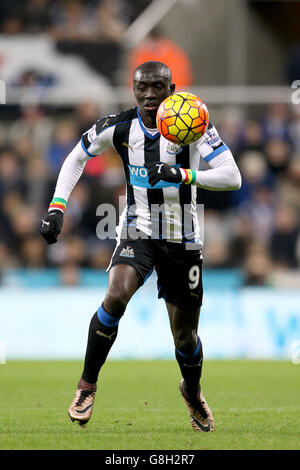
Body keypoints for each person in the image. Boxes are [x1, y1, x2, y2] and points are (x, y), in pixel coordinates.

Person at [40, 61, 242, 432]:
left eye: (158, 87)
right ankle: (87, 385)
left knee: (184, 336)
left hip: (184, 238)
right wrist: (57, 206)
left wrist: (182, 173)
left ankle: (192, 391)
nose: (150, 95)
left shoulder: (194, 124)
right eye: (142, 88)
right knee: (115, 296)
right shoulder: (119, 127)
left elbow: (233, 177)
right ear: (133, 90)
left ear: (172, 87)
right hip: (138, 228)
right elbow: (76, 156)